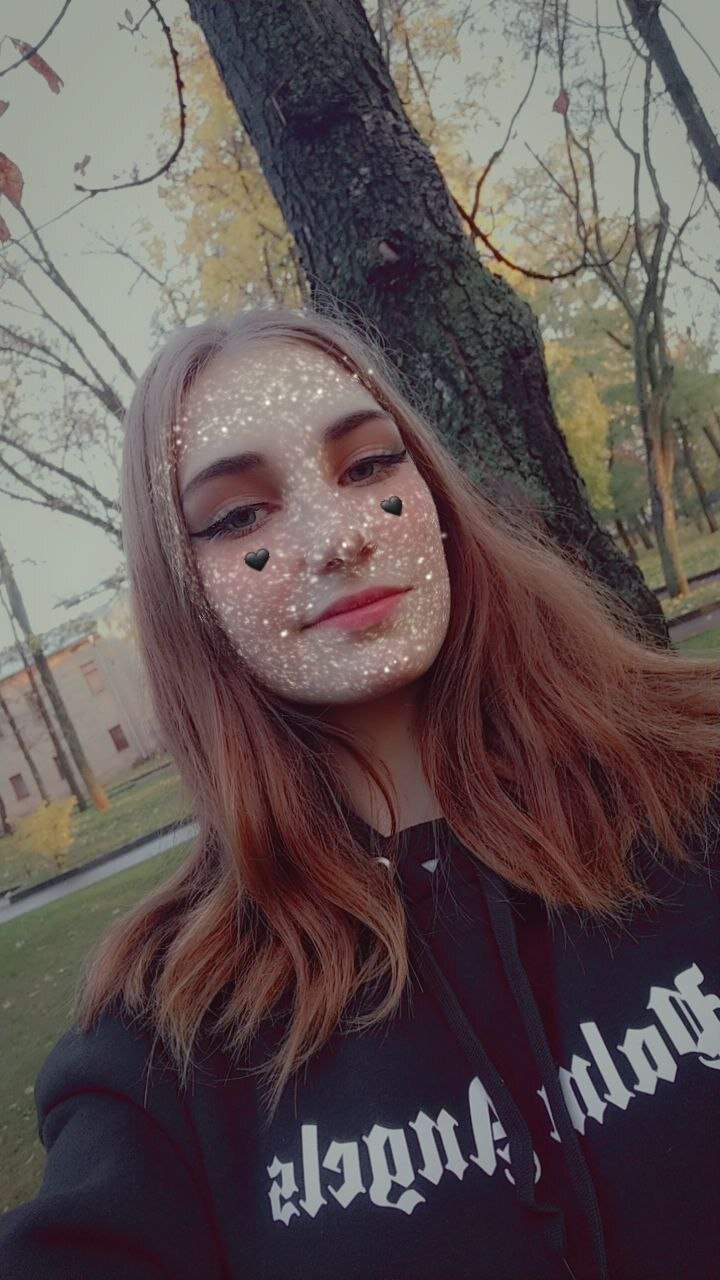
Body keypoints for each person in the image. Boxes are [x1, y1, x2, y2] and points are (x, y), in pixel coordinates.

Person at [1, 301, 719, 1280]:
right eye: (239, 515)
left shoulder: (692, 786)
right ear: (185, 593)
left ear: (433, 491)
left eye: (369, 465)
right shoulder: (168, 1034)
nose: (336, 538)